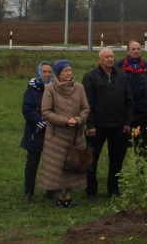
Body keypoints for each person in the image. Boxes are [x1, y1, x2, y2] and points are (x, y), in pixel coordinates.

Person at [39, 60, 90, 208]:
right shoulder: (50, 89)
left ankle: (69, 197)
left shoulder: (79, 88)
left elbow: (85, 108)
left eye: (70, 70)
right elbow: (46, 111)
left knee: (73, 165)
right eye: (65, 71)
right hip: (56, 136)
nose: (69, 73)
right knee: (57, 167)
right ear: (59, 73)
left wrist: (78, 119)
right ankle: (58, 197)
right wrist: (65, 121)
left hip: (75, 135)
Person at [83, 48, 132, 199]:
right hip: (97, 126)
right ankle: (91, 190)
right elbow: (87, 103)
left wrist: (127, 122)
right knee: (92, 159)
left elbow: (128, 100)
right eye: (106, 57)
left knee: (117, 158)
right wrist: (90, 124)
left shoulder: (121, 75)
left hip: (118, 125)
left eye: (112, 56)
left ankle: (113, 189)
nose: (110, 59)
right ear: (100, 60)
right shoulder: (91, 77)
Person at [20, 61, 53, 201]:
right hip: (35, 131)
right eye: (44, 71)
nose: (46, 74)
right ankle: (29, 191)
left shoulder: (54, 88)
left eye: (49, 72)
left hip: (52, 130)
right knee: (32, 162)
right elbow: (27, 110)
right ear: (39, 72)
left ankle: (50, 189)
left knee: (51, 162)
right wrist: (40, 120)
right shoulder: (31, 89)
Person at [120, 40, 147, 152]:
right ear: (128, 51)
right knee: (122, 148)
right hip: (124, 114)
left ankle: (141, 169)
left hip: (142, 113)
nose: (136, 51)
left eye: (138, 49)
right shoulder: (119, 67)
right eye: (133, 49)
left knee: (142, 147)